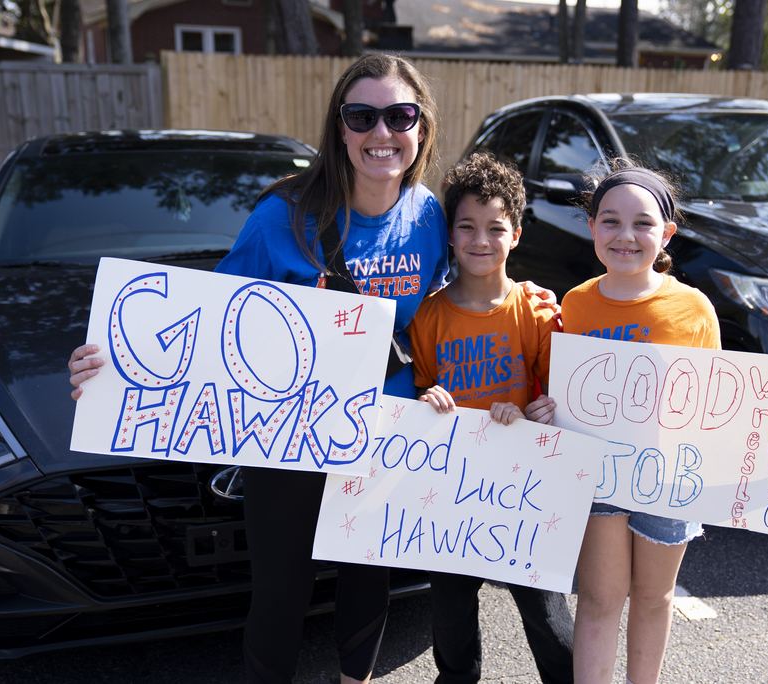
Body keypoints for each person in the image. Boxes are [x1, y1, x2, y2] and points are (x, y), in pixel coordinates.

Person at [67, 55, 557, 684]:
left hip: (386, 425)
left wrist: (523, 296)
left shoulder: (429, 215)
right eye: (362, 116)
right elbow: (206, 320)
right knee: (283, 588)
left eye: (400, 115)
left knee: (368, 574)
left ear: (422, 127)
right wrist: (113, 361)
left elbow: (453, 296)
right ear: (340, 128)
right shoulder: (282, 216)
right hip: (287, 429)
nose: (382, 132)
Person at [562, 158, 768, 684]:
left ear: (667, 234)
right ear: (592, 226)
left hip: (674, 478)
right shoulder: (575, 304)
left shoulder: (692, 308)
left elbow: (726, 408)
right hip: (600, 476)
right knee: (600, 598)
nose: (626, 235)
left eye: (643, 223)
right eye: (611, 221)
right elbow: (565, 392)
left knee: (654, 596)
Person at [406, 151, 573, 684]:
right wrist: (428, 400)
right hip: (452, 493)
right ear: (450, 235)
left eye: (496, 228)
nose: (481, 240)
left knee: (548, 617)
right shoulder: (427, 316)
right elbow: (418, 392)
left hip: (523, 490)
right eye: (467, 227)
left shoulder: (537, 311)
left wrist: (535, 412)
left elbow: (560, 402)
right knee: (451, 615)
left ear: (516, 235)